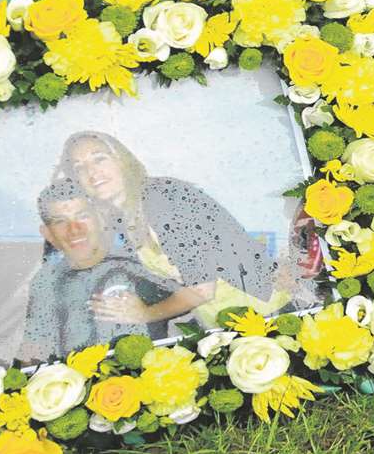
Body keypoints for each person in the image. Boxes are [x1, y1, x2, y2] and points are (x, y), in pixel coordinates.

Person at [53, 131, 309, 337]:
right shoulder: (125, 216)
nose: (91, 172)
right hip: (226, 325)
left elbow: (201, 290)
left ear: (121, 159)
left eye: (99, 158)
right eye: (79, 167)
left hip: (268, 316)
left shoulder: (162, 198)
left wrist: (145, 314)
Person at [16, 178, 205, 361]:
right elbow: (34, 347)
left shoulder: (137, 263)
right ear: (48, 234)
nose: (74, 229)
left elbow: (197, 295)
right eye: (60, 221)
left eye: (83, 216)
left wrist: (150, 313)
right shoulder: (45, 280)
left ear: (100, 219)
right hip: (72, 385)